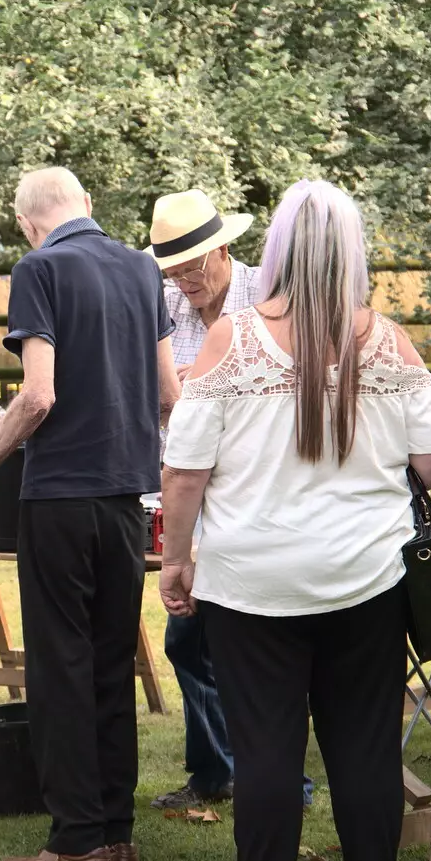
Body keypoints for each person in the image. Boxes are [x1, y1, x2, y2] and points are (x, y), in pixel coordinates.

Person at [159, 180, 431, 861]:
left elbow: (185, 470)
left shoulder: (233, 339)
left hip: (253, 578)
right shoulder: (387, 340)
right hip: (366, 576)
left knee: (266, 746)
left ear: (278, 251)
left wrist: (175, 559)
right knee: (364, 745)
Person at [0, 167, 180, 861]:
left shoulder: (39, 268)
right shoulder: (141, 269)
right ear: (86, 205)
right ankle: (116, 834)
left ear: (28, 222)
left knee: (61, 667)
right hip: (127, 499)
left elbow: (38, 395)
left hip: (59, 497)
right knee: (113, 664)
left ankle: (75, 841)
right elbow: (171, 392)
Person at [146, 189, 318, 813]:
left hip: (262, 495)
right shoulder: (165, 310)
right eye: (173, 270)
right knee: (189, 639)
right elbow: (160, 404)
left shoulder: (269, 300)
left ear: (223, 250)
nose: (185, 281)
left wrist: (206, 385)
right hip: (195, 494)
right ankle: (216, 772)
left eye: (194, 267)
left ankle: (275, 781)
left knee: (251, 647)